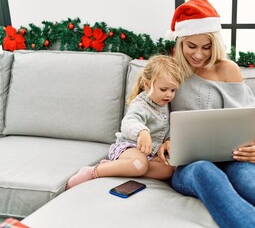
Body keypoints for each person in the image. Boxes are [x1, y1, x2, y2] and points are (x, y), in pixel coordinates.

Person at [157, 0, 255, 228]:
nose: (199, 55)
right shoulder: (168, 72)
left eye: (206, 46)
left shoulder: (227, 69)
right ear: (180, 41)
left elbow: (246, 121)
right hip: (190, 167)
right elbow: (151, 114)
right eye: (191, 46)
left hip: (234, 157)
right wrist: (165, 142)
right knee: (206, 172)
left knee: (254, 187)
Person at [66, 55, 183, 190]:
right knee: (140, 162)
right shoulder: (141, 104)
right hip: (128, 148)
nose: (169, 95)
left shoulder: (163, 104)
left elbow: (166, 128)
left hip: (148, 155)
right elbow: (129, 122)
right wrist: (142, 132)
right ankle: (95, 171)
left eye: (173, 90)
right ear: (147, 84)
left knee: (167, 170)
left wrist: (168, 140)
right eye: (163, 89)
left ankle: (123, 168)